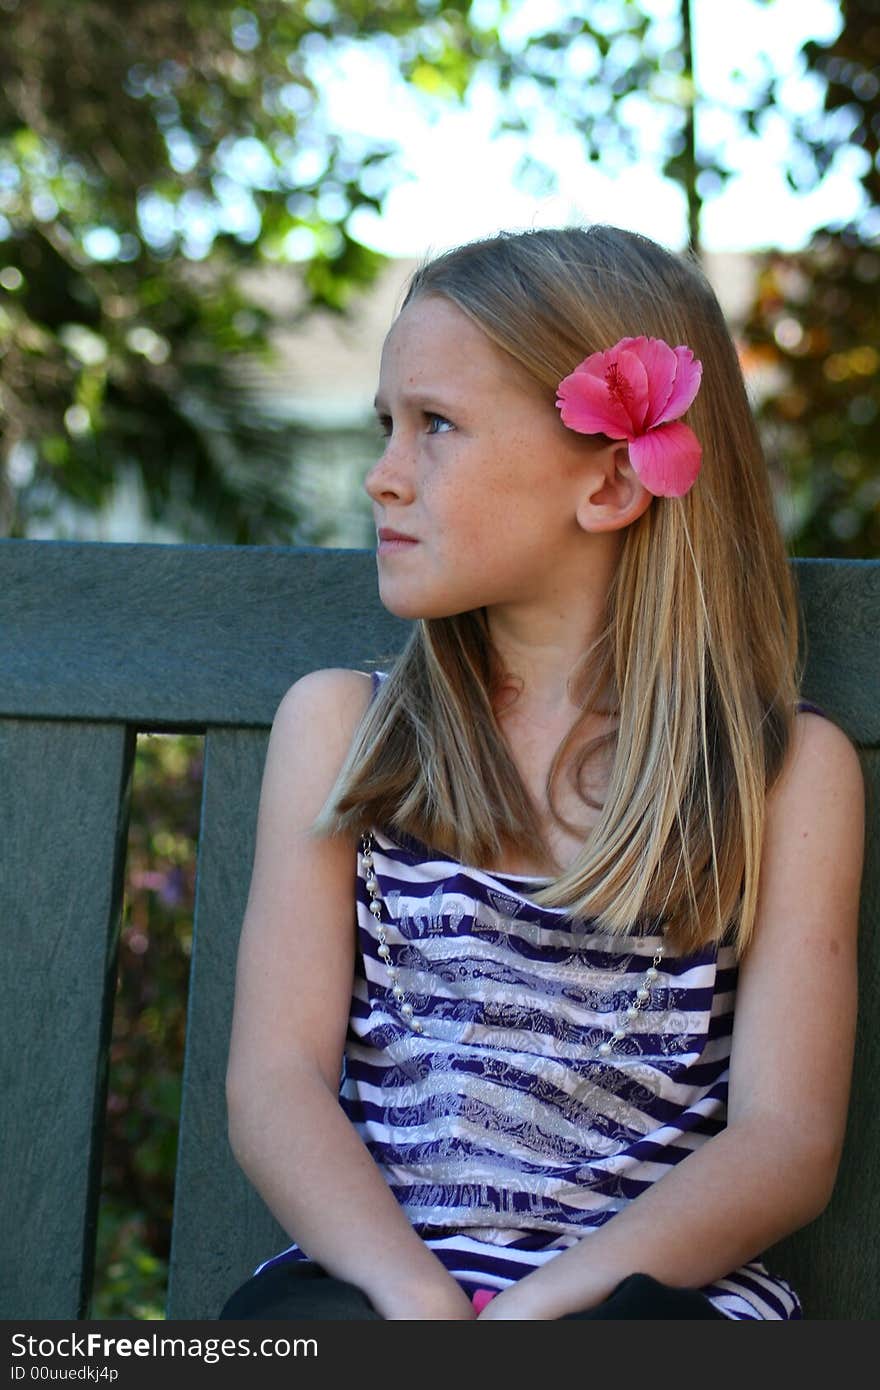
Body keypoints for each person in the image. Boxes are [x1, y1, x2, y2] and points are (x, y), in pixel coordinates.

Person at [220, 224, 865, 1321]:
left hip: (636, 1302)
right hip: (379, 1283)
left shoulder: (780, 774)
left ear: (612, 479)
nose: (381, 476)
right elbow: (274, 1078)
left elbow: (784, 1138)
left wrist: (535, 1315)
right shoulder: (347, 733)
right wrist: (412, 1295)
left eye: (435, 426)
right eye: (388, 423)